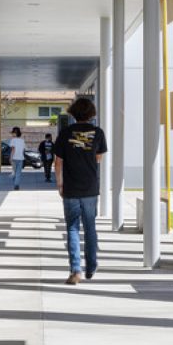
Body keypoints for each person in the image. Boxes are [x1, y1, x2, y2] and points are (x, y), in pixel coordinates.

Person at [54, 97, 107, 284]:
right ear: (91, 113)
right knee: (90, 227)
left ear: (73, 113)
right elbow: (98, 158)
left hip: (71, 187)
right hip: (90, 187)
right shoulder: (98, 133)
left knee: (73, 229)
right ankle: (91, 266)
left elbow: (58, 161)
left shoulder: (65, 132)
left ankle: (76, 270)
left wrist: (60, 184)